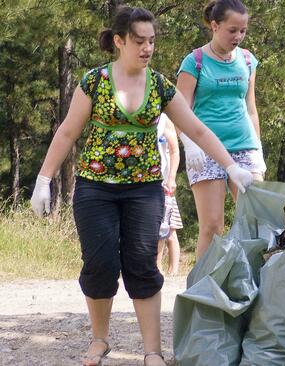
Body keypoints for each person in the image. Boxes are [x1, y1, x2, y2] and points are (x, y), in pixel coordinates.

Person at [28, 6, 253, 366]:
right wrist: (43, 179)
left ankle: (152, 351)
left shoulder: (161, 86)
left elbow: (195, 128)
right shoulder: (95, 81)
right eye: (139, 41)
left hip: (144, 189)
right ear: (119, 41)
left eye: (151, 41)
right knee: (99, 264)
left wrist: (230, 165)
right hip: (95, 188)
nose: (147, 48)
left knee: (142, 266)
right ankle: (99, 340)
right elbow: (68, 131)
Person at [176, 0, 265, 259]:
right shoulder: (195, 62)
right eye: (232, 30)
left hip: (244, 146)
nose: (238, 36)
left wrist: (257, 149)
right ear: (214, 26)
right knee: (213, 225)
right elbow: (180, 110)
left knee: (256, 221)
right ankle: (201, 291)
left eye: (243, 31)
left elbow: (251, 108)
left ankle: (251, 285)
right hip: (205, 150)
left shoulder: (248, 60)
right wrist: (189, 144)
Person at [156, 114, 182, 276]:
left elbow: (174, 151)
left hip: (164, 184)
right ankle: (157, 268)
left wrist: (171, 178)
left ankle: (172, 270)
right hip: (146, 184)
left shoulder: (164, 119)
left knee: (168, 230)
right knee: (162, 230)